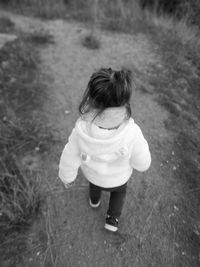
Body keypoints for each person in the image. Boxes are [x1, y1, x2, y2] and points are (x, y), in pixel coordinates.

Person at [58, 67, 151, 232]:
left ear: (91, 100)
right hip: (119, 179)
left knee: (94, 186)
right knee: (119, 194)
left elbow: (69, 155)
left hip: (94, 176)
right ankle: (112, 219)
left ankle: (94, 201)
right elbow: (141, 163)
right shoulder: (132, 132)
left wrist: (67, 177)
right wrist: (139, 163)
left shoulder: (81, 131)